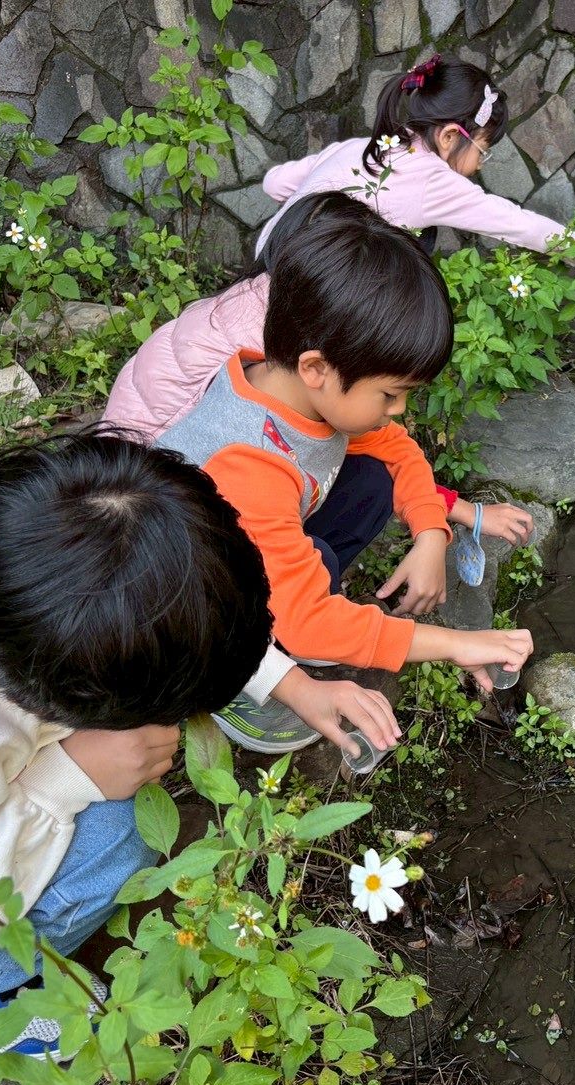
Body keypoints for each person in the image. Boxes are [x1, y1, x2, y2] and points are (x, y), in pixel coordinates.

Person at [0, 433, 395, 1056]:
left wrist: (287, 681)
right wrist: (67, 780)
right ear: (76, 690)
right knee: (117, 831)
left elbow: (165, 604)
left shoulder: (25, 561)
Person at [156, 192, 533, 748]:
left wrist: (431, 533)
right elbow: (310, 617)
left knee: (373, 481)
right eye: (391, 393)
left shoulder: (298, 393)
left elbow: (398, 448)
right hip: (187, 608)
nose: (399, 408)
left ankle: (292, 608)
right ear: (316, 367)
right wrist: (456, 643)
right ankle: (250, 678)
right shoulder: (244, 460)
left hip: (250, 545)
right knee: (306, 595)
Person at [102, 193, 536, 552]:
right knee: (324, 548)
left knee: (369, 471)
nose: (399, 409)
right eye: (390, 395)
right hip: (154, 518)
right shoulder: (274, 360)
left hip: (166, 478)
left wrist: (441, 514)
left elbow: (386, 442)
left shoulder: (278, 310)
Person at [258, 52, 575, 272]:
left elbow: (274, 184)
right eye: (483, 150)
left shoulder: (363, 146)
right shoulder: (433, 180)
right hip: (306, 295)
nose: (481, 164)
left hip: (268, 262)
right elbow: (516, 224)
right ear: (451, 136)